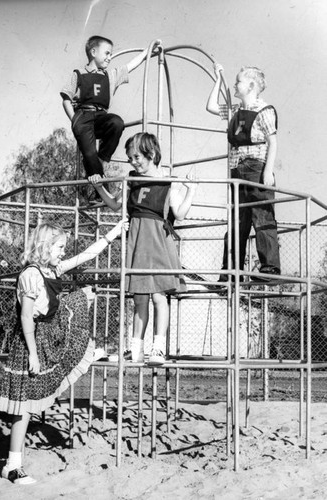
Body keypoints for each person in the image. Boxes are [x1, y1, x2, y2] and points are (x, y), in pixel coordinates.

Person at [0, 218, 127, 485]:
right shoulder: (31, 274)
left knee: (76, 298)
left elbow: (85, 255)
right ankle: (12, 465)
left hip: (47, 336)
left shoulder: (52, 271)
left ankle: (88, 352)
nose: (63, 252)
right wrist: (32, 354)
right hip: (29, 342)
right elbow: (25, 318)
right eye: (59, 247)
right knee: (22, 407)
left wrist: (114, 232)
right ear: (46, 247)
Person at [91, 132, 197, 365]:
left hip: (158, 241)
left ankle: (158, 349)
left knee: (159, 296)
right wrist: (100, 187)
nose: (133, 162)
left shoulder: (167, 182)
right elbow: (116, 204)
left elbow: (179, 213)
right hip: (138, 241)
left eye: (137, 157)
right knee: (139, 298)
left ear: (152, 154)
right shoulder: (131, 180)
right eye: (130, 158)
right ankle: (135, 348)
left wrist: (191, 190)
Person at [60, 36, 161, 202]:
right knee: (89, 153)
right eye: (106, 53)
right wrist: (74, 120)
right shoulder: (78, 74)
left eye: (111, 54)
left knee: (117, 122)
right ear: (93, 52)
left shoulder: (110, 76)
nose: (109, 57)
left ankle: (101, 160)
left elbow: (131, 65)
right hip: (83, 117)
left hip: (101, 117)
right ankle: (100, 192)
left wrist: (147, 51)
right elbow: (66, 98)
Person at [206, 63, 281, 282]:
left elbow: (272, 143)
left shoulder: (263, 110)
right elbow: (210, 106)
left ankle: (270, 268)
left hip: (256, 168)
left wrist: (268, 171)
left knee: (262, 215)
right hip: (237, 170)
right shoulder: (235, 111)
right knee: (237, 221)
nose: (235, 84)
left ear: (250, 85)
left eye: (238, 81)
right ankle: (231, 271)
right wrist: (217, 80)